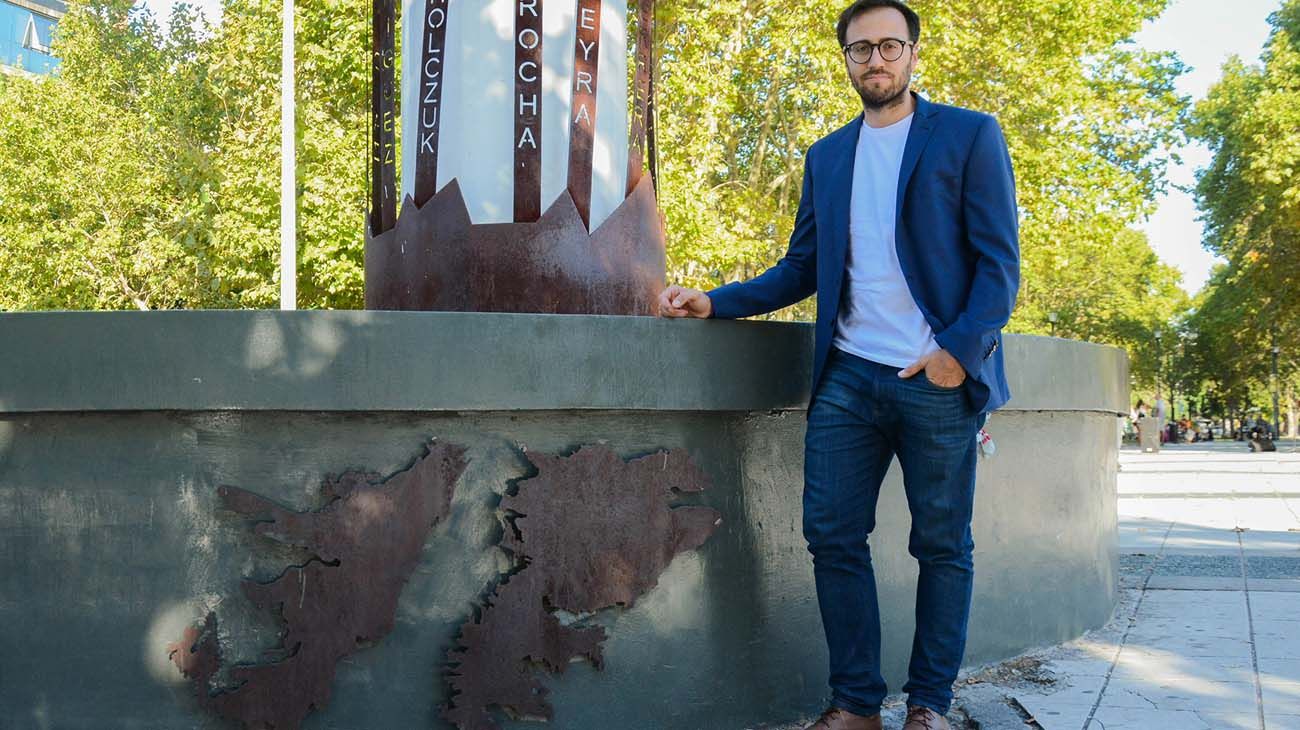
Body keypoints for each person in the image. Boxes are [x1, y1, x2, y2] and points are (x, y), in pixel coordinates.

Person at [657, 2, 1020, 728]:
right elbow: (802, 268)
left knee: (943, 545)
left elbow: (999, 264)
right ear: (846, 60)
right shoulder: (828, 155)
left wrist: (957, 353)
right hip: (848, 377)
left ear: (914, 53)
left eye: (889, 46)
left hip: (935, 378)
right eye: (861, 50)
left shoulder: (969, 135)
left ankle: (928, 705)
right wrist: (715, 302)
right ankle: (856, 704)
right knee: (831, 536)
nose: (875, 61)